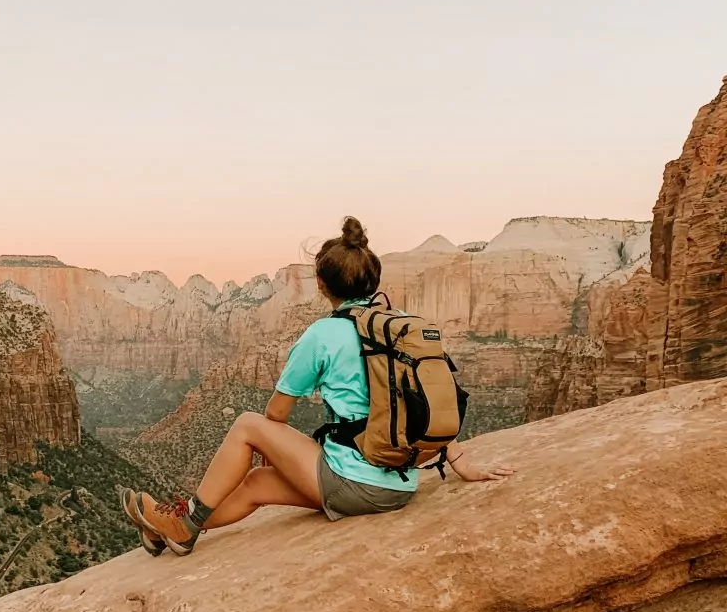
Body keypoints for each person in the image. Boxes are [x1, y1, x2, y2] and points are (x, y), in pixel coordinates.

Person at [121, 216, 514, 556]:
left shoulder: (323, 334)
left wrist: (274, 442)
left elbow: (275, 414)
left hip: (355, 484)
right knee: (257, 483)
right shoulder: (403, 328)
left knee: (248, 424)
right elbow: (425, 401)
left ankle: (186, 521)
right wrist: (463, 465)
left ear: (322, 285)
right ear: (372, 279)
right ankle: (170, 531)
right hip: (401, 484)